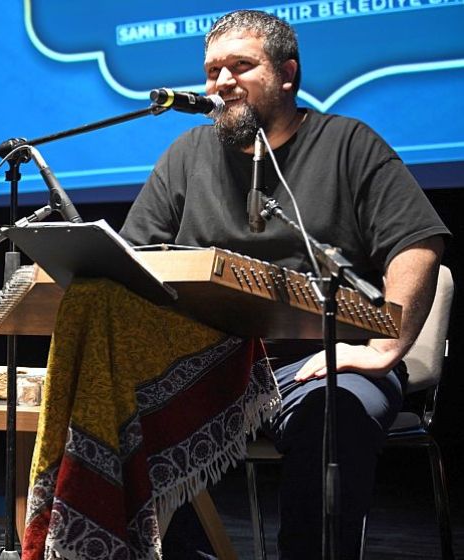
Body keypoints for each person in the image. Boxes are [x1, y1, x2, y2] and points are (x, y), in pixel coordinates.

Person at [119, 10, 449, 559]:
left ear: (287, 74)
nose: (222, 82)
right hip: (211, 366)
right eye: (212, 70)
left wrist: (384, 349)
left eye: (241, 66)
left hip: (319, 363)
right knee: (111, 414)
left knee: (335, 417)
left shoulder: (349, 144)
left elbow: (418, 242)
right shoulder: (185, 155)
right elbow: (134, 260)